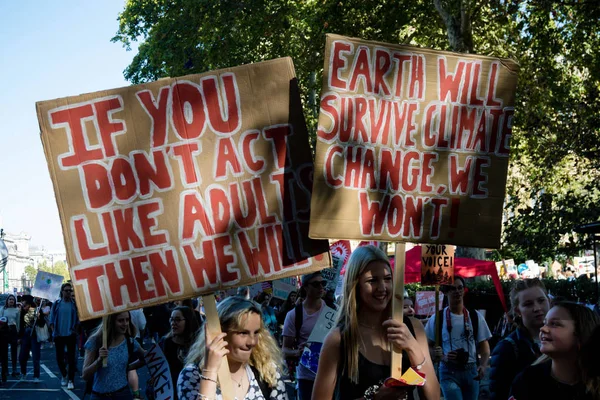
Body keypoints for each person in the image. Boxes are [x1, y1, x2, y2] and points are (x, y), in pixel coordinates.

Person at [312, 245, 440, 400]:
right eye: (372, 280)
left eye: (387, 279)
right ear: (355, 284)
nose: (382, 288)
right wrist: (374, 398)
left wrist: (412, 347)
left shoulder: (413, 328)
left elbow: (434, 396)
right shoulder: (338, 339)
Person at [177, 296, 288, 400]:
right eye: (243, 333)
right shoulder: (192, 376)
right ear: (218, 332)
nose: (252, 342)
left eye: (256, 332)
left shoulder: (267, 371)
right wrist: (210, 372)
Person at [509, 302, 600, 399]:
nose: (543, 329)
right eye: (545, 323)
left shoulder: (595, 386)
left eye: (554, 324)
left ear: (580, 333)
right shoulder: (527, 380)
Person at [425, 276, 492, 400]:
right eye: (452, 289)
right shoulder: (437, 318)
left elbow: (484, 345)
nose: (457, 291)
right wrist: (437, 354)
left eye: (460, 288)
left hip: (471, 370)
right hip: (448, 370)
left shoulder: (475, 316)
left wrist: (483, 365)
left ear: (464, 290)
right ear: (445, 292)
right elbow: (427, 345)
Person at [488, 278, 549, 400]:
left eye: (541, 300)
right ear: (517, 311)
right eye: (528, 304)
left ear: (549, 300)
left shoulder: (563, 339)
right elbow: (499, 393)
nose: (537, 308)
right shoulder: (506, 348)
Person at [282, 272, 327, 400]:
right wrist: (297, 352)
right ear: (305, 287)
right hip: (307, 378)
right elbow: (285, 350)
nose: (321, 287)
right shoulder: (294, 315)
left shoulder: (332, 310)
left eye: (323, 283)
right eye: (316, 284)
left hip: (331, 374)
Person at [82, 311, 146, 400]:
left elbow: (146, 358)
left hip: (123, 394)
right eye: (120, 320)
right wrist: (99, 361)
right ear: (111, 322)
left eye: (127, 320)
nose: (125, 324)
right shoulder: (95, 342)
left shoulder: (130, 342)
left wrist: (125, 368)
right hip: (100, 396)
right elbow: (85, 375)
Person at [158, 306, 200, 400]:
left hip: (189, 391)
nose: (173, 323)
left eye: (177, 320)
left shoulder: (197, 345)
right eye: (171, 319)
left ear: (188, 321)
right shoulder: (165, 342)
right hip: (169, 391)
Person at [49, 282, 80, 390]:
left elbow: (77, 320)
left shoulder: (74, 304)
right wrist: (54, 332)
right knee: (59, 358)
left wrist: (74, 330)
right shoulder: (56, 304)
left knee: (71, 359)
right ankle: (64, 374)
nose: (68, 292)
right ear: (62, 291)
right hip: (59, 335)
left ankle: (71, 380)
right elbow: (51, 320)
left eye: (70, 290)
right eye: (66, 290)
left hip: (70, 335)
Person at [18, 295, 44, 382]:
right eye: (22, 303)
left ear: (29, 303)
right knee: (22, 356)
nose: (23, 304)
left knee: (36, 357)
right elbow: (20, 325)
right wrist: (19, 337)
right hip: (25, 335)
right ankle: (23, 373)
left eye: (24, 303)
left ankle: (36, 376)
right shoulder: (22, 311)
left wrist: (39, 317)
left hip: (35, 335)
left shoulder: (37, 310)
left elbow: (42, 324)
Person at [0, 294, 20, 379]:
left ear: (14, 301)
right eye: (10, 299)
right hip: (4, 330)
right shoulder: (3, 309)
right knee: (4, 352)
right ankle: (6, 370)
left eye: (13, 299)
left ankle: (14, 369)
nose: (11, 301)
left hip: (13, 330)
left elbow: (18, 322)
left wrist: (19, 335)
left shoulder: (17, 310)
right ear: (7, 301)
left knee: (14, 351)